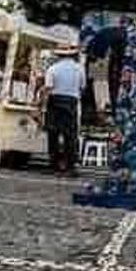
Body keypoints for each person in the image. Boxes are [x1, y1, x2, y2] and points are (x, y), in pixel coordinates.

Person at [43, 46, 85, 175]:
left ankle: (54, 166)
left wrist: (42, 106)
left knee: (53, 134)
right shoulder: (79, 69)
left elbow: (48, 88)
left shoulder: (53, 69)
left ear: (59, 56)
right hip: (72, 101)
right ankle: (70, 167)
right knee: (70, 135)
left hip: (55, 100)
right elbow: (82, 87)